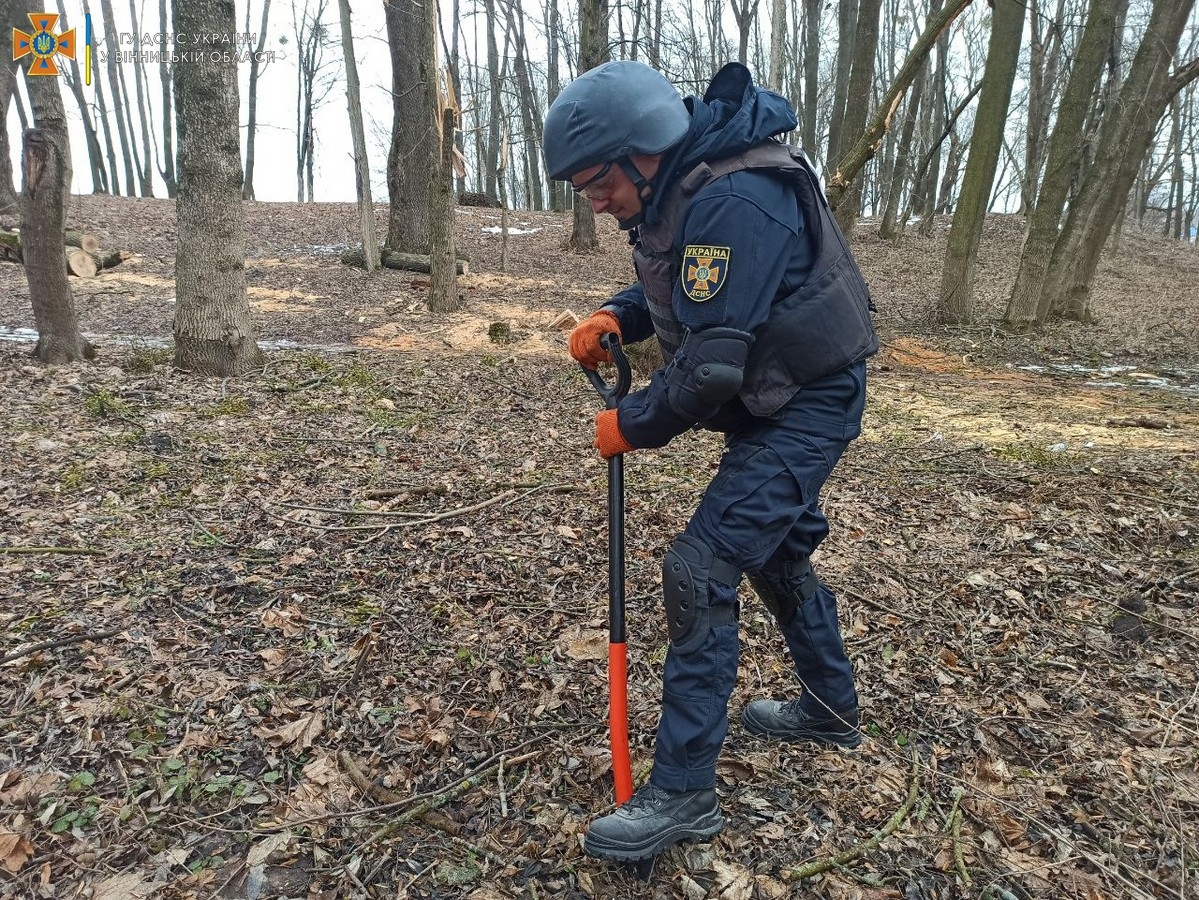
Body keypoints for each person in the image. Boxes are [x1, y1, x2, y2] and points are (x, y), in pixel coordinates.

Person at [543, 60, 878, 862]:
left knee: (700, 566)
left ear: (643, 150)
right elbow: (690, 291)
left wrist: (631, 423)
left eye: (597, 183)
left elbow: (712, 367)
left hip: (804, 398)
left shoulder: (735, 195)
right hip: (774, 389)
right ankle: (830, 710)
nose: (595, 201)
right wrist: (615, 314)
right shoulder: (679, 186)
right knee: (774, 550)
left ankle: (684, 792)